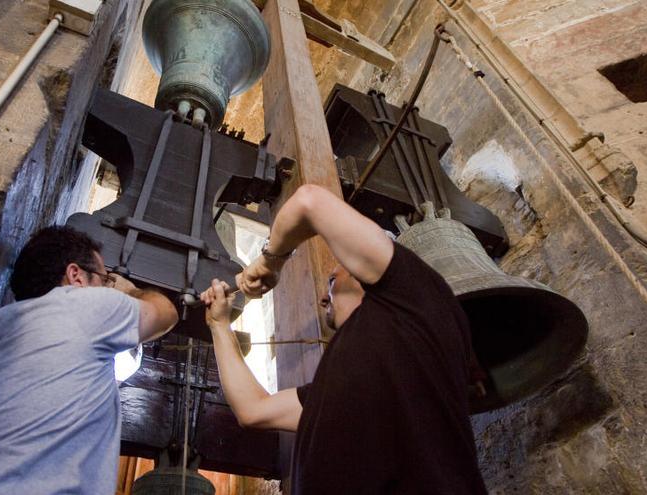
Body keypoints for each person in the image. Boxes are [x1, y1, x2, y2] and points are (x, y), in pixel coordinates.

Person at [200, 184, 487, 494]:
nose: (324, 297)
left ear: (366, 275)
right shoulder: (335, 389)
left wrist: (269, 261)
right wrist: (219, 324)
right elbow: (252, 410)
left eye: (333, 280)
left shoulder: (415, 297)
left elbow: (309, 201)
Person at [0, 226, 178, 494]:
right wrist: (129, 291)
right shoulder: (80, 306)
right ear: (76, 276)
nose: (109, 286)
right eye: (105, 278)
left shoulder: (0, 326)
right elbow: (165, 313)